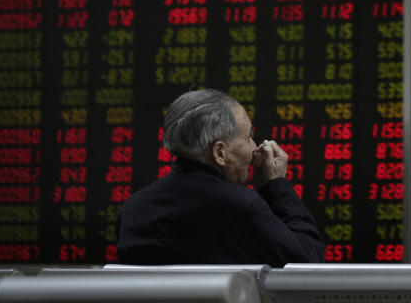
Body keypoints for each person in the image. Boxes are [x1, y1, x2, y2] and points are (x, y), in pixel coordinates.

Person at [115, 87, 325, 265]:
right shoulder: (241, 206)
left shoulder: (133, 209)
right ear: (219, 153)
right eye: (248, 136)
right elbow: (307, 262)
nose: (254, 147)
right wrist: (277, 185)